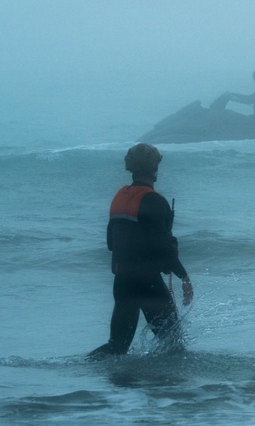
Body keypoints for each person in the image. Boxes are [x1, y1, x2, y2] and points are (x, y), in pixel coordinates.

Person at [89, 143, 193, 357]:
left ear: (130, 168)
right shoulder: (155, 201)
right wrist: (184, 277)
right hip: (148, 284)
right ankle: (169, 389)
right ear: (155, 168)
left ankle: (83, 372)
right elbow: (163, 249)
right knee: (174, 347)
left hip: (122, 282)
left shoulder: (119, 198)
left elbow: (111, 244)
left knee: (117, 348)